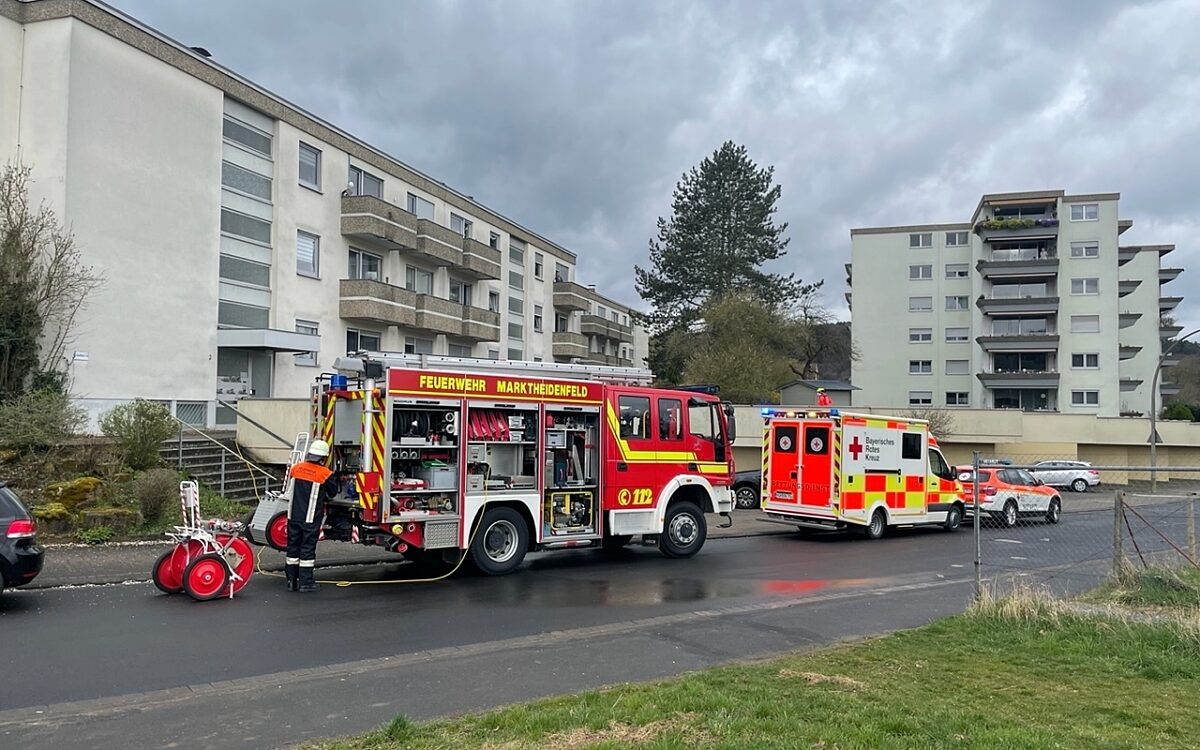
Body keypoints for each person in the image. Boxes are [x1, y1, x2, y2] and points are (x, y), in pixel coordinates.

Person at [285, 439, 340, 593]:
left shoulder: (296, 468)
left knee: (292, 548)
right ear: (323, 458)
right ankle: (306, 583)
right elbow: (332, 493)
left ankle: (291, 582)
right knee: (307, 549)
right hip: (310, 518)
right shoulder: (325, 474)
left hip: (293, 515)